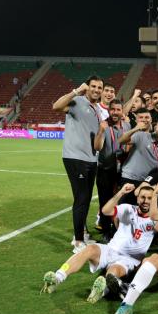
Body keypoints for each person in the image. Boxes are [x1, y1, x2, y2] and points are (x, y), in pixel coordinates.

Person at [40, 184, 155, 302]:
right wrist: (121, 192)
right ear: (137, 198)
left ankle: (100, 292)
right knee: (90, 249)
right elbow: (106, 211)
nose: (145, 201)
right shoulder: (128, 208)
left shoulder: (155, 219)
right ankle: (57, 278)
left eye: (149, 198)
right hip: (110, 249)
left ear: (154, 199)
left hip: (128, 260)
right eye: (143, 197)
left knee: (113, 272)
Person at [52, 75, 104, 253]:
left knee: (86, 198)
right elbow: (56, 106)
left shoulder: (97, 109)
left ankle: (81, 235)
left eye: (99, 87)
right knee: (81, 198)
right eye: (93, 86)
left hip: (91, 159)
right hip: (75, 158)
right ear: (87, 87)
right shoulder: (78, 101)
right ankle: (78, 241)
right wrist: (75, 91)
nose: (97, 90)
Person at [93, 99, 130, 241]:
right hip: (106, 169)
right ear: (109, 110)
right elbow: (97, 147)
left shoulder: (127, 125)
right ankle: (106, 231)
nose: (115, 112)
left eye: (118, 109)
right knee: (105, 200)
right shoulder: (103, 125)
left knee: (120, 200)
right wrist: (101, 131)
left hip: (122, 169)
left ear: (122, 111)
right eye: (113, 109)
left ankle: (118, 228)